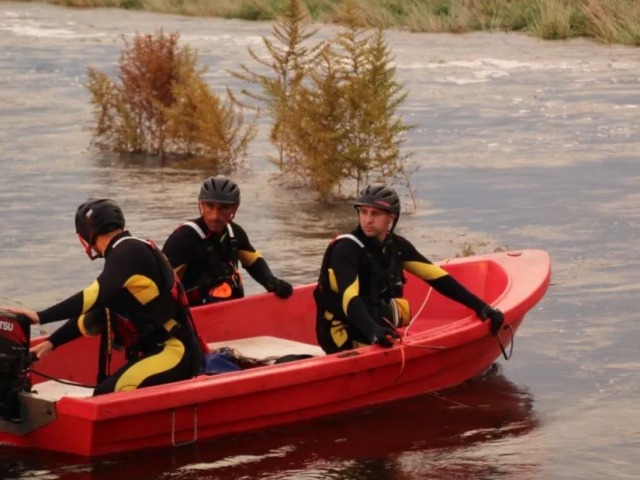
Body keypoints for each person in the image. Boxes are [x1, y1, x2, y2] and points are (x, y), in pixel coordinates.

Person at [1, 199, 204, 396]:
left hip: (176, 352)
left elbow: (93, 296)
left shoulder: (127, 252)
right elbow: (96, 315)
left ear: (87, 236)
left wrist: (39, 316)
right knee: (105, 390)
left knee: (106, 395)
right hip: (164, 351)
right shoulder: (127, 252)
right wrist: (49, 344)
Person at [314, 184, 504, 354]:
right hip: (341, 336)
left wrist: (481, 306)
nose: (368, 220)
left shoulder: (397, 247)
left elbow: (436, 277)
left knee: (397, 311)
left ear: (391, 218)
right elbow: (349, 297)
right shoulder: (346, 248)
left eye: (375, 214)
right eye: (363, 212)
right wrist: (373, 332)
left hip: (372, 327)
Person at [162, 175, 293, 306]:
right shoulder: (183, 238)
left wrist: (271, 282)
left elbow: (253, 261)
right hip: (191, 315)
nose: (215, 216)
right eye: (210, 206)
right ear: (201, 204)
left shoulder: (235, 233)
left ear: (234, 208)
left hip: (226, 311)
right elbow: (160, 283)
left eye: (223, 208)